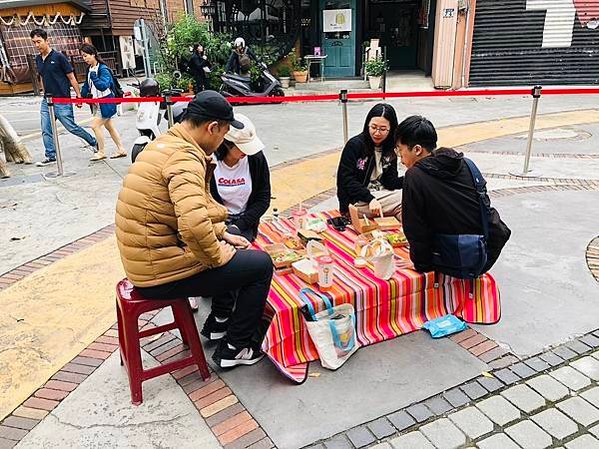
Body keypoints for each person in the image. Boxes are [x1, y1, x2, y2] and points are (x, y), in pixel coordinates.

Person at [115, 90, 274, 369]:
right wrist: (220, 256)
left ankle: (220, 325)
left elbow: (186, 212)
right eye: (223, 134)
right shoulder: (186, 158)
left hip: (146, 261)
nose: (222, 142)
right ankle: (235, 348)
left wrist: (223, 233)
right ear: (212, 128)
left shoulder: (166, 143)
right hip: (158, 272)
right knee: (260, 265)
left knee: (236, 250)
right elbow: (193, 226)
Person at [395, 115, 511, 274]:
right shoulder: (466, 164)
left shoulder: (414, 176)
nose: (400, 159)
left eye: (400, 151)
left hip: (452, 258)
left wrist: (419, 263)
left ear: (417, 149)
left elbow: (415, 229)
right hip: (483, 252)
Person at [188, 113, 271, 318]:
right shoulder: (205, 162)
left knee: (240, 261)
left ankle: (221, 316)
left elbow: (263, 199)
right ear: (226, 143)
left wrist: (239, 226)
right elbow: (200, 205)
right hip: (215, 223)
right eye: (241, 148)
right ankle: (221, 315)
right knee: (224, 260)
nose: (246, 152)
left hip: (245, 222)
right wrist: (223, 229)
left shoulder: (255, 159)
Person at [30, 29, 97, 166]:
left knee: (71, 127)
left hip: (62, 100)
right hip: (47, 101)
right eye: (34, 42)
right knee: (46, 128)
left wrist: (78, 96)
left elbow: (71, 77)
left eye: (39, 41)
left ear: (47, 41)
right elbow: (42, 76)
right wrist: (44, 91)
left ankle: (93, 141)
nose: (37, 45)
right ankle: (50, 155)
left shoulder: (59, 57)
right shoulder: (38, 59)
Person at [336, 103, 403, 220]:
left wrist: (412, 179)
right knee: (404, 198)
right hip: (358, 201)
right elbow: (346, 180)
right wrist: (370, 198)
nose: (377, 133)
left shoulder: (390, 149)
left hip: (381, 197)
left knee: (406, 207)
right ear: (367, 125)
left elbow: (390, 182)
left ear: (391, 129)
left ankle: (404, 235)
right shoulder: (355, 145)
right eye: (373, 127)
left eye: (383, 129)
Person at [79, 44, 127, 161]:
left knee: (95, 126)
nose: (84, 59)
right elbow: (87, 85)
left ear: (93, 54)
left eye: (86, 56)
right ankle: (121, 149)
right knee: (109, 126)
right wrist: (81, 96)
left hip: (106, 102)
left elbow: (103, 86)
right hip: (97, 103)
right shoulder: (89, 69)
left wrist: (94, 77)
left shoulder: (103, 69)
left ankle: (101, 151)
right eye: (83, 56)